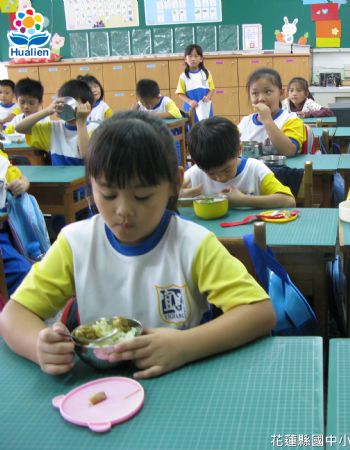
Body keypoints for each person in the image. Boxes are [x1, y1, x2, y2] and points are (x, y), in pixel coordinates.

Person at [0, 110, 276, 379]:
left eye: (142, 196)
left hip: (181, 382)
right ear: (91, 185)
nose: (123, 211)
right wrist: (39, 347)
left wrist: (185, 345)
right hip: (102, 387)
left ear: (175, 183)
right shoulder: (76, 243)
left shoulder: (193, 244)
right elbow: (14, 315)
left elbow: (260, 312)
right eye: (108, 195)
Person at [181, 116, 295, 209]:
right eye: (211, 173)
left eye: (226, 169)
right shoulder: (194, 174)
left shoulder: (255, 170)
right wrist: (178, 197)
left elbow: (289, 201)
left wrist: (244, 200)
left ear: (239, 150)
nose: (220, 178)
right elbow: (173, 200)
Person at [15, 79, 95, 165]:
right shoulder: (53, 128)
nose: (66, 106)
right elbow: (19, 128)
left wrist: (81, 122)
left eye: (72, 101)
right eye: (63, 101)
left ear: (87, 106)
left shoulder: (95, 129)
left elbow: (85, 155)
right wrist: (47, 111)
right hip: (59, 174)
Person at [238, 68, 306, 158]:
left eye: (268, 92)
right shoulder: (245, 122)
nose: (261, 98)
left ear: (281, 93)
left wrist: (267, 120)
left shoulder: (291, 120)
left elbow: (289, 151)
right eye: (255, 93)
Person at [0, 141, 31, 296]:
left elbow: (21, 179)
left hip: (2, 235)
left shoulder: (2, 163)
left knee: (23, 271)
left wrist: (21, 184)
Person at [176, 44, 214, 123]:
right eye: (190, 56)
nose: (193, 59)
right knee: (193, 127)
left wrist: (207, 97)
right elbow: (180, 93)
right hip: (191, 108)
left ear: (201, 59)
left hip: (205, 108)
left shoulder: (206, 73)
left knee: (207, 126)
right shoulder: (183, 76)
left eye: (196, 56)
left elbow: (212, 89)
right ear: (185, 59)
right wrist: (190, 102)